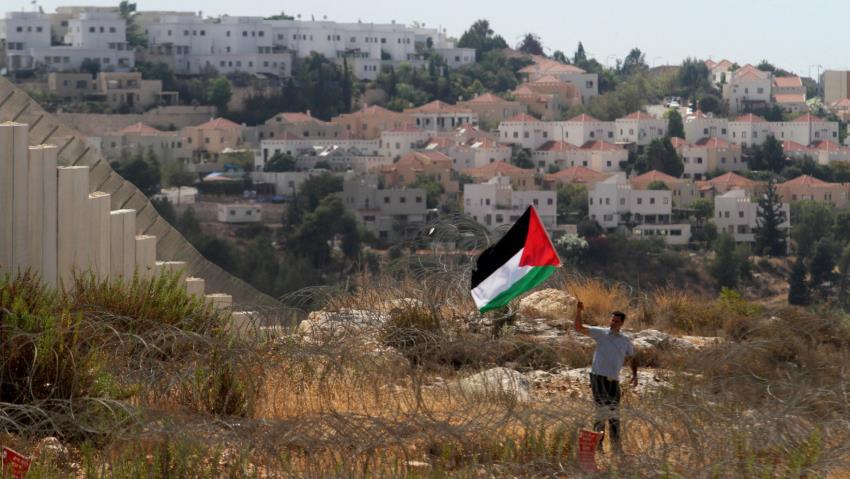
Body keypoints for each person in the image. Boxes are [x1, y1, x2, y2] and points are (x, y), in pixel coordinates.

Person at [573, 300, 637, 452]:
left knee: (614, 414)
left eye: (616, 321)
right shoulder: (601, 333)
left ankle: (616, 448)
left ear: (622, 324)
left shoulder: (625, 340)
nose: (613, 323)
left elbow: (632, 357)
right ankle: (598, 445)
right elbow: (578, 328)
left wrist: (635, 375)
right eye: (612, 320)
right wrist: (578, 312)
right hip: (598, 377)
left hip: (613, 380)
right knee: (601, 411)